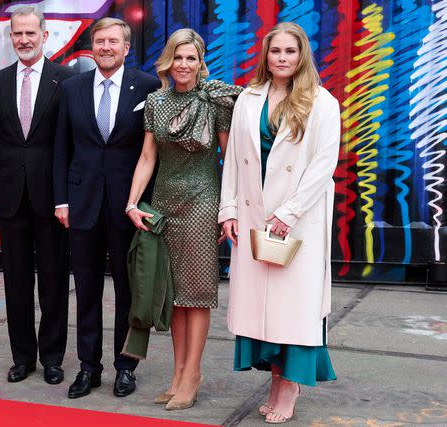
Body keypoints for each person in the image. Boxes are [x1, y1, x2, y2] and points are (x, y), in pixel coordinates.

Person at [219, 22, 339, 424]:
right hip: (254, 217)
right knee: (262, 309)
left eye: (289, 51)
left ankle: (291, 385)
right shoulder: (248, 99)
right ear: (266, 56)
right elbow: (234, 158)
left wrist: (290, 213)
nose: (282, 58)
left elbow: (324, 165)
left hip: (298, 220)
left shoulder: (322, 102)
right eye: (275, 51)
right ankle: (275, 379)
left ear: (301, 54)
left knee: (294, 309)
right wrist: (229, 210)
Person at [125, 29, 241, 410]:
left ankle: (192, 373)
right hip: (163, 203)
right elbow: (147, 158)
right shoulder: (156, 101)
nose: (184, 65)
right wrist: (132, 203)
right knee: (173, 296)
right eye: (178, 57)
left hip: (203, 201)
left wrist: (229, 209)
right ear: (168, 61)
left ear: (200, 61)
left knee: (197, 294)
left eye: (191, 58)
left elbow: (229, 159)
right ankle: (177, 373)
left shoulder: (214, 100)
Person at [53, 17, 160, 399]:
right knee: (86, 290)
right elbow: (61, 148)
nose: (106, 47)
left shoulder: (148, 87)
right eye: (100, 41)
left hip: (127, 208)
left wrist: (146, 202)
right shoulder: (72, 88)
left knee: (128, 292)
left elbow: (153, 153)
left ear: (126, 47)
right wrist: (62, 199)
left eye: (114, 41)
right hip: (81, 206)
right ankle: (88, 367)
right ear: (92, 46)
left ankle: (126, 367)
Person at [0, 7, 74, 385]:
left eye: (30, 33)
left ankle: (52, 358)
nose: (23, 40)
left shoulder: (66, 81)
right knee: (15, 281)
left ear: (44, 35)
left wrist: (66, 196)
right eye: (17, 34)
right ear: (11, 36)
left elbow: (68, 144)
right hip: (10, 196)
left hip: (52, 198)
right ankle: (23, 358)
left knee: (53, 280)